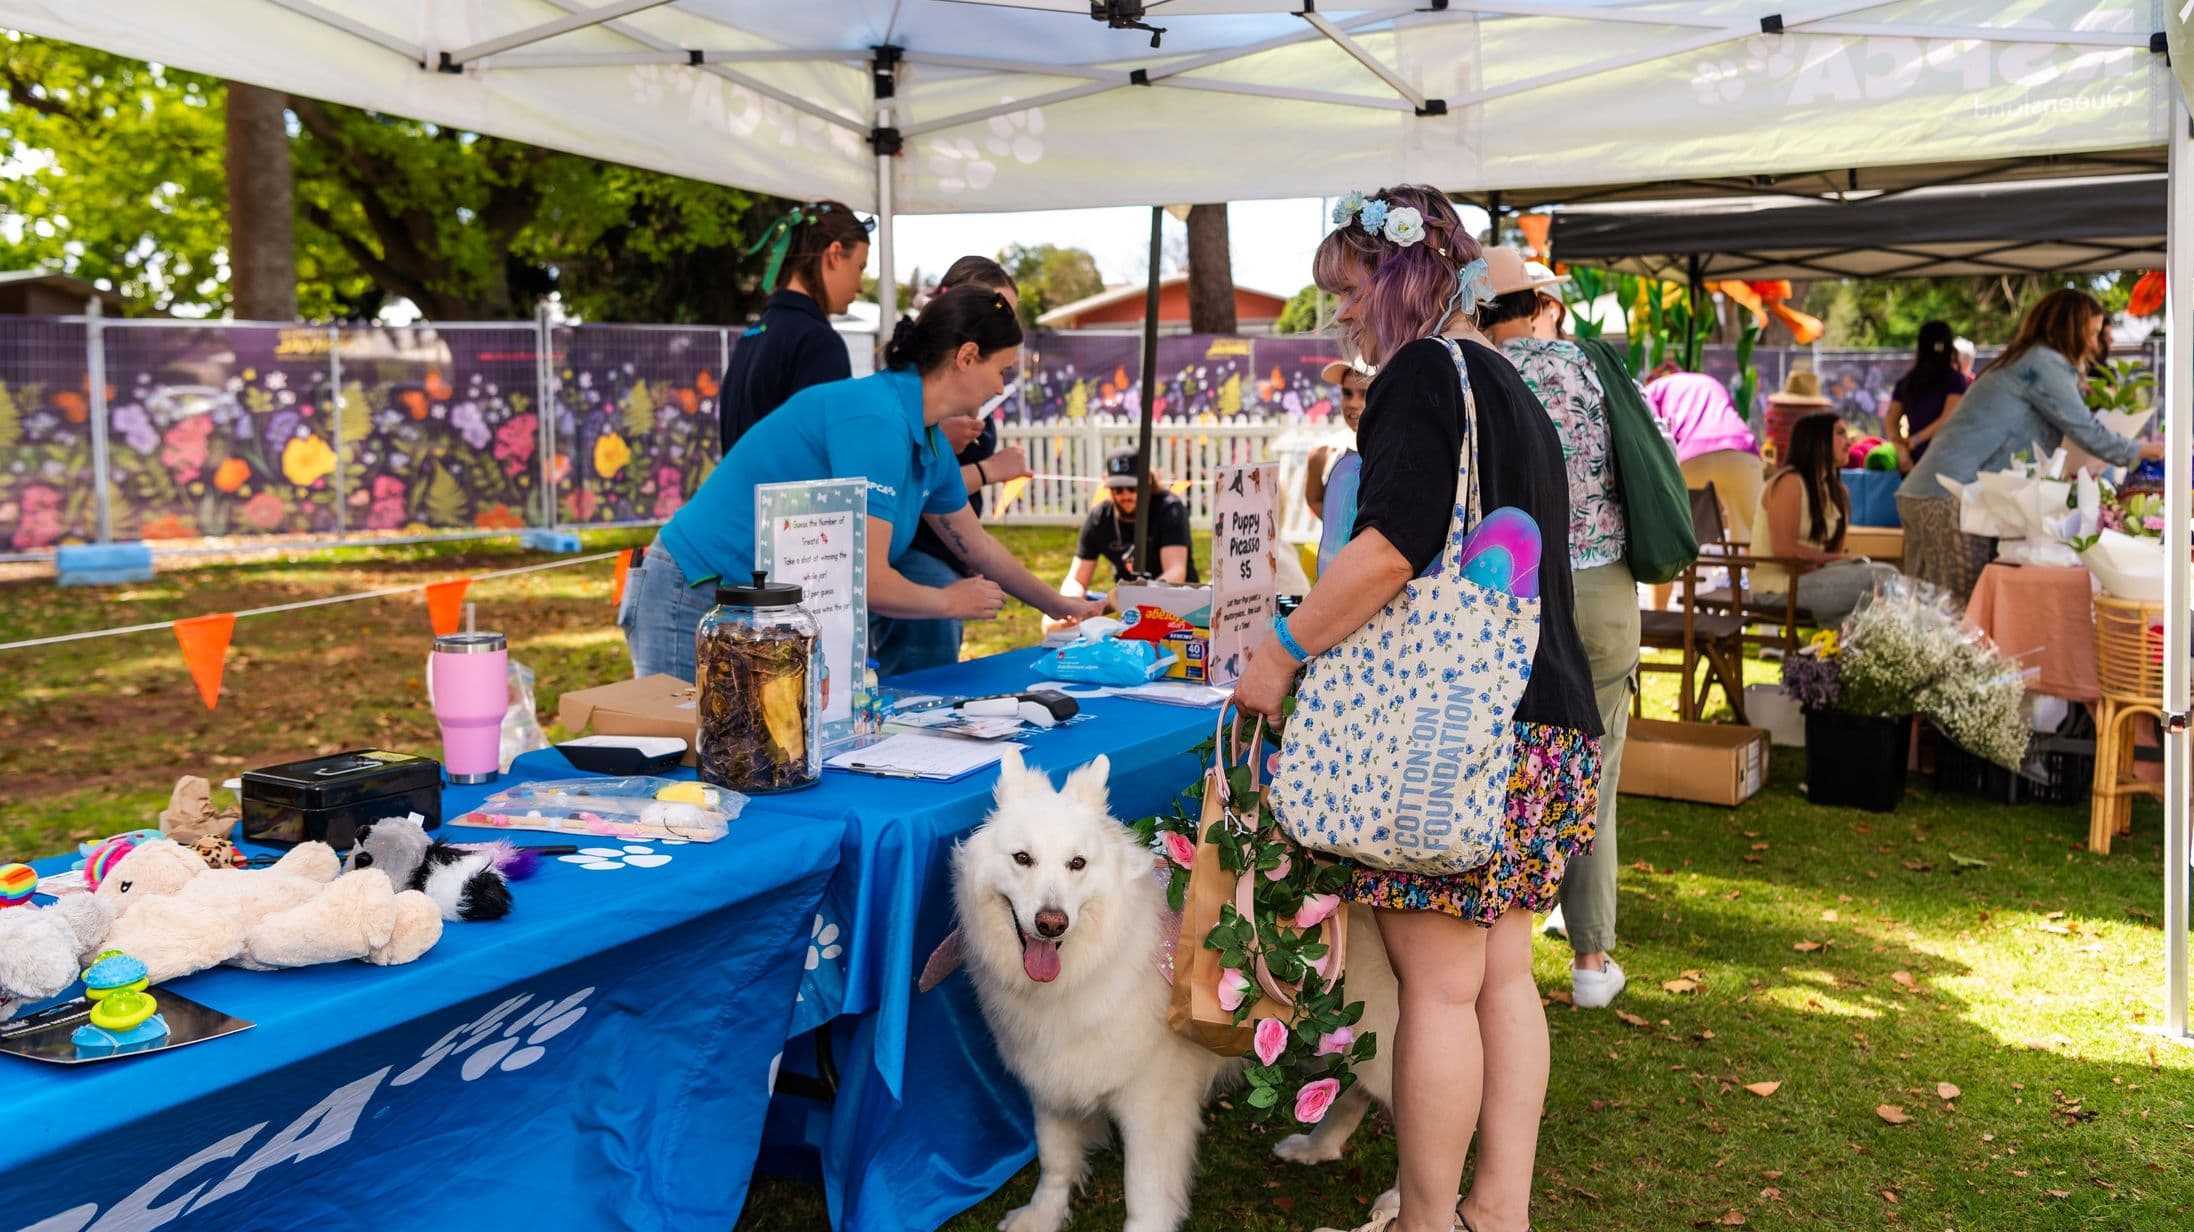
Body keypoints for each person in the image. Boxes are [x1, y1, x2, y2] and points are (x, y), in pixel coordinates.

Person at [1236, 184, 1602, 1232]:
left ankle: (1426, 1217)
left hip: (1449, 733)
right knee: (1501, 979)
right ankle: (1498, 1208)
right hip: (1541, 723)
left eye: (1348, 291)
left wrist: (1282, 648)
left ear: (1402, 278)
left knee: (1439, 988)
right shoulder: (1511, 384)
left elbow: (1389, 545)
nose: (1339, 316)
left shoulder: (1419, 379)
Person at [622, 286, 1102, 682]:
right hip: (696, 589)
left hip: (752, 606)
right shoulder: (879, 421)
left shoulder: (925, 435)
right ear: (967, 356)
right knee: (683, 762)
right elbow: (867, 580)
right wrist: (946, 601)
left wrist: (1063, 604)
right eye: (1001, 371)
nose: (1000, 388)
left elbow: (977, 546)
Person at [1477, 246, 1639, 1013]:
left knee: (1495, 765)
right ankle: (1589, 959)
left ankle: (1491, 938)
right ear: (1543, 304)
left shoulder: (1471, 376)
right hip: (1599, 588)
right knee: (1590, 775)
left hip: (1502, 589)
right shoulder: (1593, 372)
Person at [1898, 288, 2165, 603]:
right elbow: (2085, 430)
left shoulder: (2026, 359)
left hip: (1927, 492)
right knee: (1959, 611)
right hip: (1949, 498)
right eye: (2092, 333)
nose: (2095, 344)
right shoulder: (2044, 363)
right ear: (2071, 328)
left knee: (1923, 609)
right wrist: (2141, 450)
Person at [893, 256, 1035, 668]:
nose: (999, 384)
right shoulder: (901, 410)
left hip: (942, 558)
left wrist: (1061, 604)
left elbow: (962, 526)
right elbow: (913, 493)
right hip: (914, 560)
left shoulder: (938, 408)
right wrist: (987, 470)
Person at [716, 200, 872, 453]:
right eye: (860, 268)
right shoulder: (817, 342)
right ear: (834, 254)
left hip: (737, 492)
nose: (860, 286)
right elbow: (827, 459)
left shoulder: (754, 334)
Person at [1754, 413, 1899, 626]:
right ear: (1817, 442)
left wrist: (1837, 561)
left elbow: (1833, 552)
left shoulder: (1838, 492)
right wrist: (1837, 561)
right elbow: (1783, 551)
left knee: (1868, 609)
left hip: (1815, 580)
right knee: (1886, 576)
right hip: (1779, 588)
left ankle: (1841, 652)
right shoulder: (1789, 482)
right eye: (1840, 433)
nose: (1849, 441)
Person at [1644, 366, 1766, 545]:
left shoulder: (1651, 390)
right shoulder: (1710, 382)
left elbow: (1651, 434)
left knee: (1682, 537)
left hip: (1692, 454)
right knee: (1755, 539)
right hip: (1742, 452)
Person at [1062, 447, 1200, 599]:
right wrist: (1070, 603)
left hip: (1175, 601)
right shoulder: (1100, 517)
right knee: (1052, 622)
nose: (1125, 495)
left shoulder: (1169, 509)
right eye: (1118, 489)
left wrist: (1143, 596)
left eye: (1132, 488)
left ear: (1148, 480)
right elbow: (1076, 579)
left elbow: (1176, 572)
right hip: (1127, 606)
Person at [1304, 359, 1370, 578]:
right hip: (1334, 570)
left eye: (1364, 394)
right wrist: (1341, 526)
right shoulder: (1323, 453)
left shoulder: (1394, 450)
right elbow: (1314, 498)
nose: (1353, 403)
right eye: (1347, 393)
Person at [1888, 320, 1968, 470]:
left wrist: (1906, 445)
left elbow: (1890, 421)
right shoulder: (1955, 380)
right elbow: (1947, 418)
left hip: (1920, 460)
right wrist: (1904, 446)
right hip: (1944, 461)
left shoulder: (1907, 382)